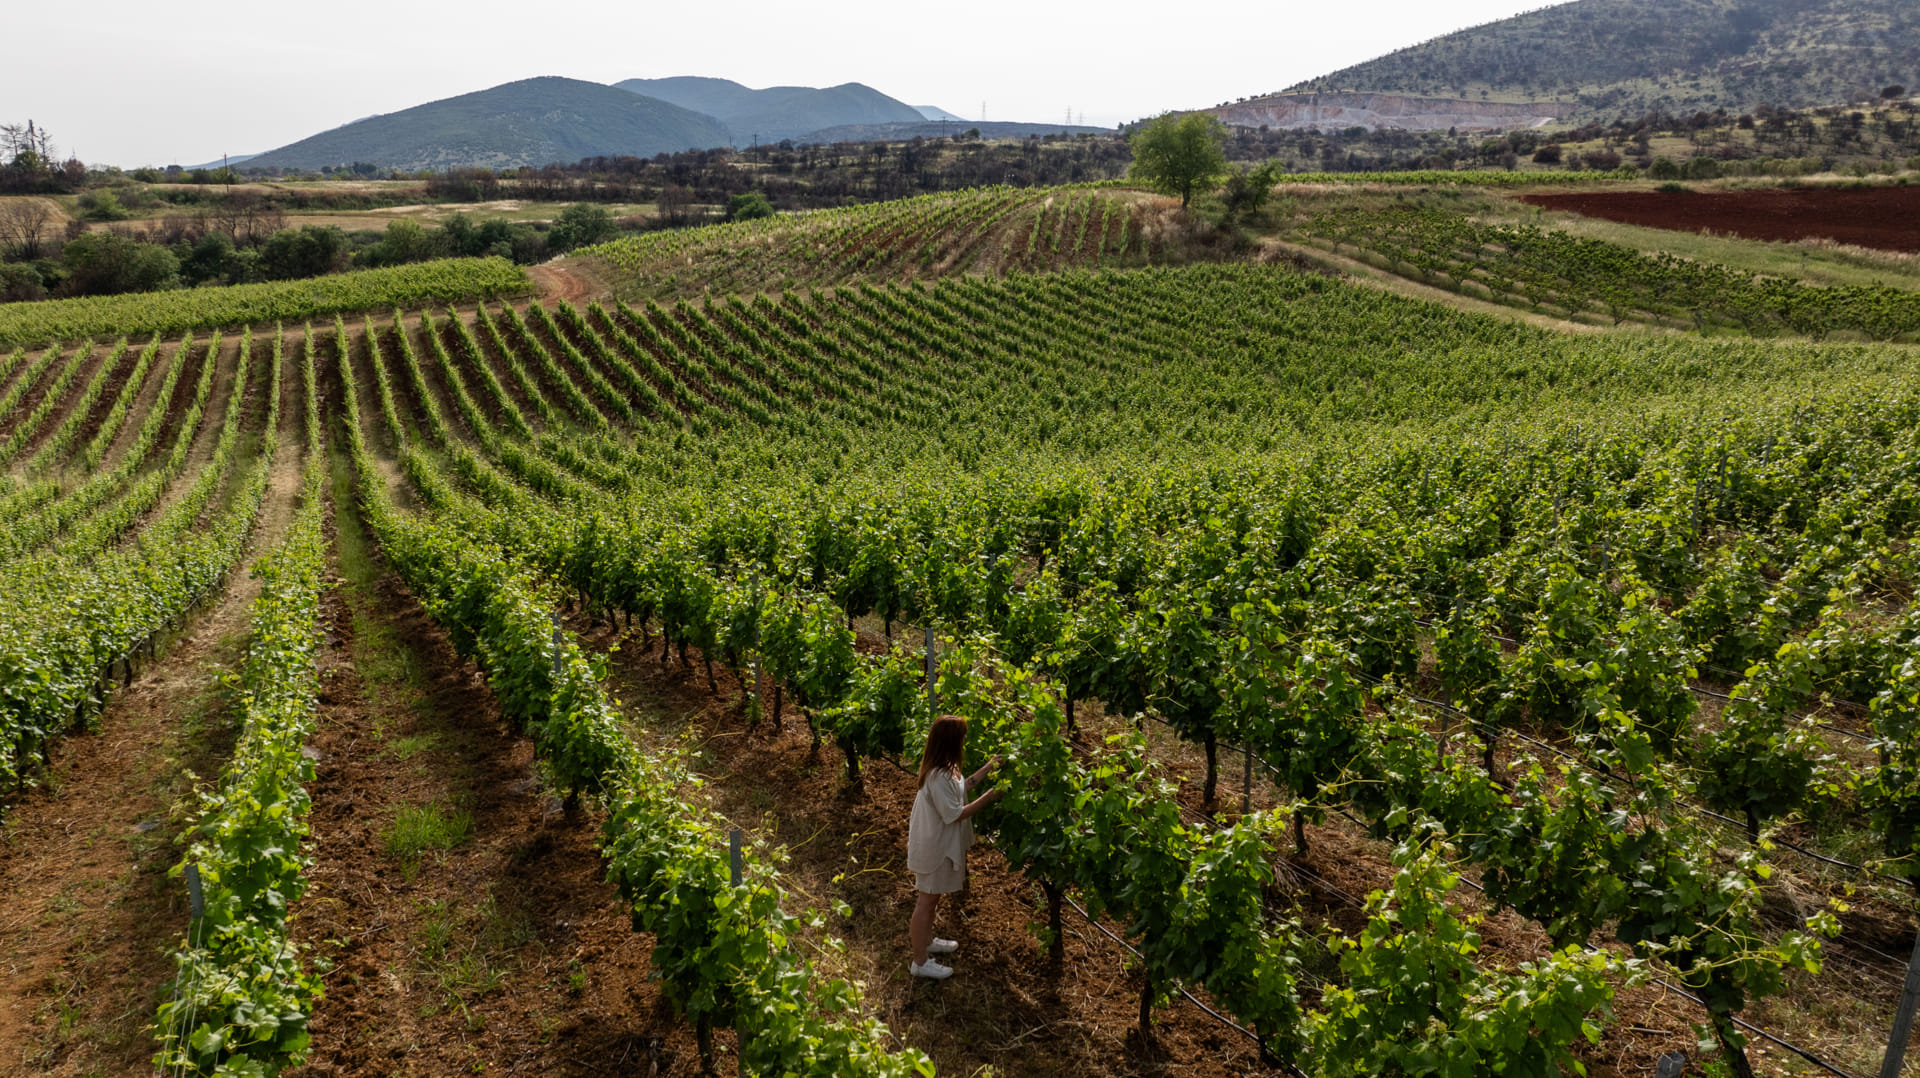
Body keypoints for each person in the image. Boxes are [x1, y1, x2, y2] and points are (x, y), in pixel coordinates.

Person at [905, 714, 1003, 979]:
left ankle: (926, 942)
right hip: (932, 848)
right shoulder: (937, 776)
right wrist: (991, 796)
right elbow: (955, 813)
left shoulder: (946, 767)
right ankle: (920, 962)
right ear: (951, 741)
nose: (964, 741)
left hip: (937, 844)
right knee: (925, 902)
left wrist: (988, 768)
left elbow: (962, 786)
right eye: (962, 737)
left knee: (932, 897)